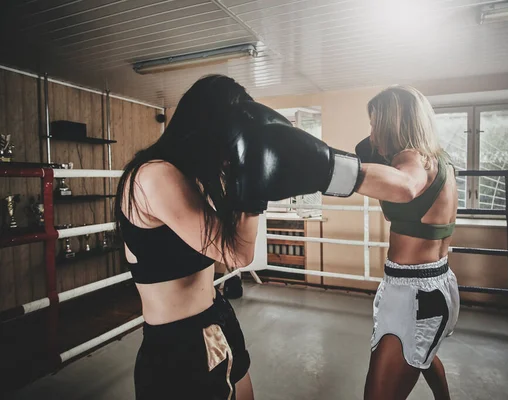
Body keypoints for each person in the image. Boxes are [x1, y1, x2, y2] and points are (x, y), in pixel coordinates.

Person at [115, 74, 363, 400]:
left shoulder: (195, 178)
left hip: (217, 316)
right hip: (178, 343)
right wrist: (254, 187)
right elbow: (237, 255)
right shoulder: (155, 175)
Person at [355, 86, 460, 400]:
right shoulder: (439, 159)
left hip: (414, 297)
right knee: (423, 356)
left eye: (376, 124)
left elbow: (407, 185)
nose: (372, 135)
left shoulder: (411, 160)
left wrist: (329, 172)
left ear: (392, 124)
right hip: (434, 285)